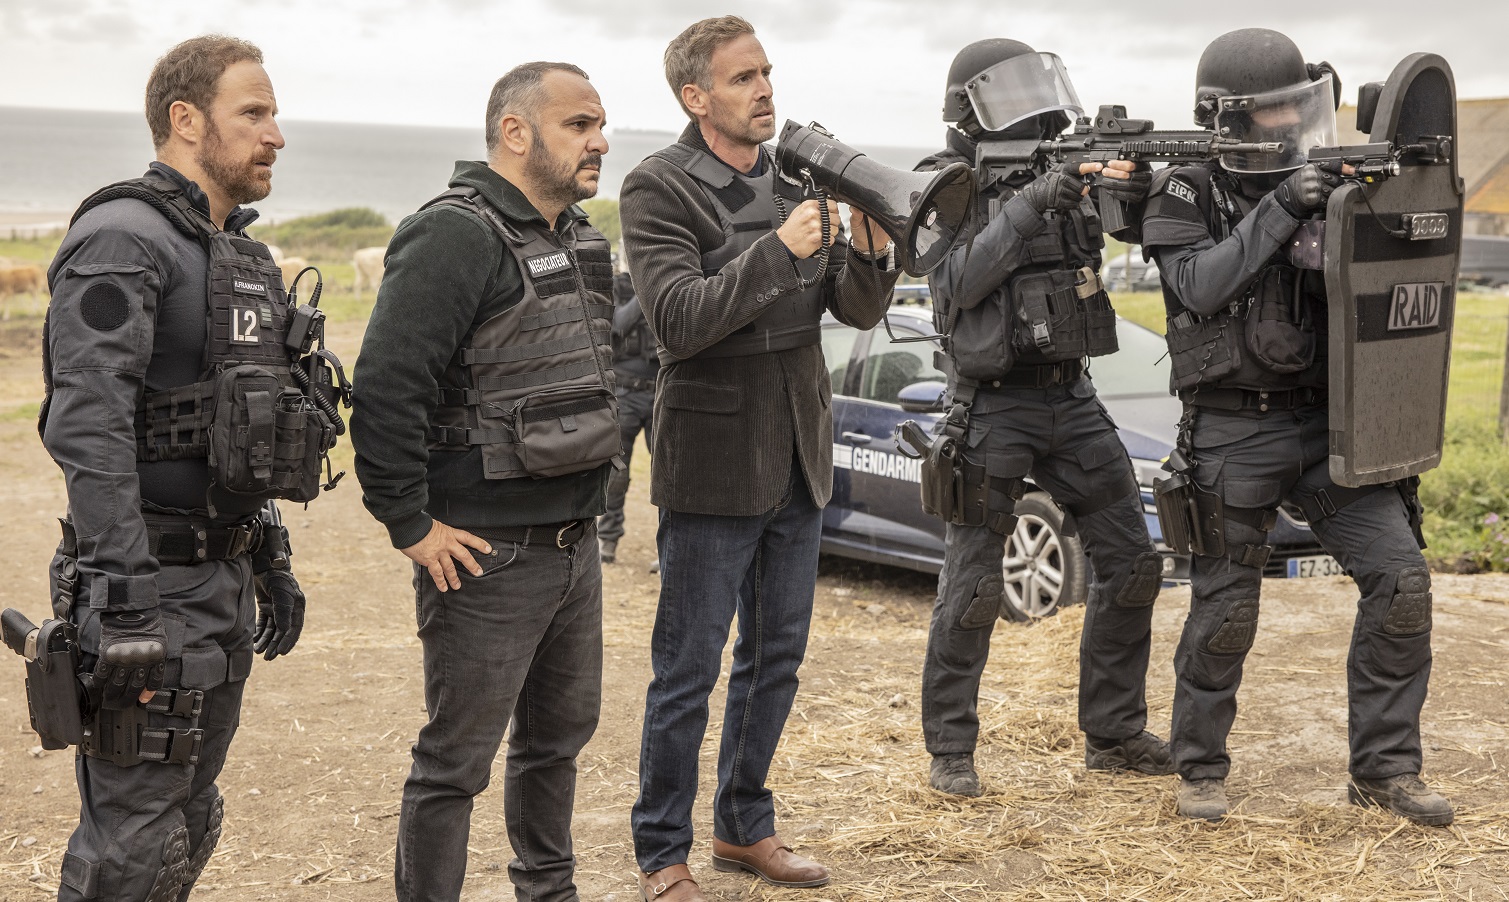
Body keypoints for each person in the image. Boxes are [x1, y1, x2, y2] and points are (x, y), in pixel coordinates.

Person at [1139, 28, 1451, 825]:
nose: (1285, 124)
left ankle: (1384, 770)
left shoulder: (1325, 177)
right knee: (1225, 608)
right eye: (1269, 110)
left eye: (1295, 106)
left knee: (1401, 580)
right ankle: (1199, 767)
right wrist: (1284, 205)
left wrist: (1371, 197)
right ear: (1224, 116)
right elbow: (1202, 286)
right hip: (1230, 430)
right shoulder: (1184, 190)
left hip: (1329, 428)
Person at [619, 16, 899, 901]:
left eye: (767, 72)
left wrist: (876, 247)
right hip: (711, 461)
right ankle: (662, 851)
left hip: (798, 457)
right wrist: (778, 250)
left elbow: (852, 312)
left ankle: (744, 828)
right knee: (688, 669)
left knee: (775, 659)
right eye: (742, 78)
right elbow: (676, 322)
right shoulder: (656, 187)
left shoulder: (795, 178)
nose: (764, 89)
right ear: (696, 97)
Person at [41, 35, 322, 900]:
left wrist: (265, 551)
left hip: (220, 580)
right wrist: (121, 598)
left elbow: (230, 419)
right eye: (254, 112)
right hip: (149, 587)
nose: (275, 133)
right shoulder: (123, 239)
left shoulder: (233, 252)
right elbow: (88, 428)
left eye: (274, 112)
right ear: (186, 119)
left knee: (188, 815)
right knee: (132, 837)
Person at [350, 61, 615, 902]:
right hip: (485, 555)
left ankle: (549, 892)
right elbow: (388, 388)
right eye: (577, 124)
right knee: (453, 765)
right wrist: (409, 523)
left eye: (599, 124)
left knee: (556, 745)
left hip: (574, 548)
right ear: (514, 132)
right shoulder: (452, 234)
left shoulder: (580, 237)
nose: (598, 140)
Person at [916, 39, 1170, 799]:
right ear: (968, 108)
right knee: (972, 585)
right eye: (1009, 90)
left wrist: (1136, 185)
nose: (1032, 103)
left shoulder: (1064, 170)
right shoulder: (944, 183)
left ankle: (1115, 733)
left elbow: (1136, 233)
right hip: (990, 406)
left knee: (1131, 564)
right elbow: (957, 279)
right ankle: (950, 750)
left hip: (1071, 397)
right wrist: (1034, 200)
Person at [599, 264, 659, 567]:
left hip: (662, 391)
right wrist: (648, 284)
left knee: (667, 474)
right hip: (624, 393)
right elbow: (618, 323)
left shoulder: (669, 276)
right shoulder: (618, 286)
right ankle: (608, 540)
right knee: (616, 472)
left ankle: (668, 547)